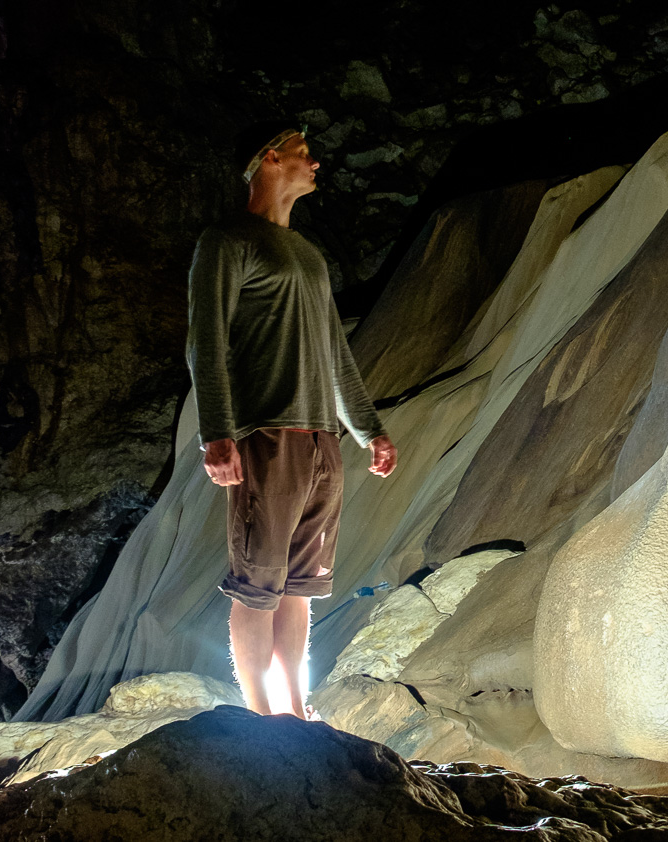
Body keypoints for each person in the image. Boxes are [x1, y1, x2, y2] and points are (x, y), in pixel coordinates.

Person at [186, 121, 397, 719]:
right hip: (264, 435)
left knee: (302, 586)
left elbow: (335, 354)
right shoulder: (227, 242)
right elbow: (206, 342)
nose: (316, 164)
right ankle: (258, 715)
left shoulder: (307, 256)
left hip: (320, 440)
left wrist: (367, 429)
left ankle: (295, 712)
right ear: (270, 159)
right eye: (305, 154)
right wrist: (217, 435)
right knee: (258, 585)